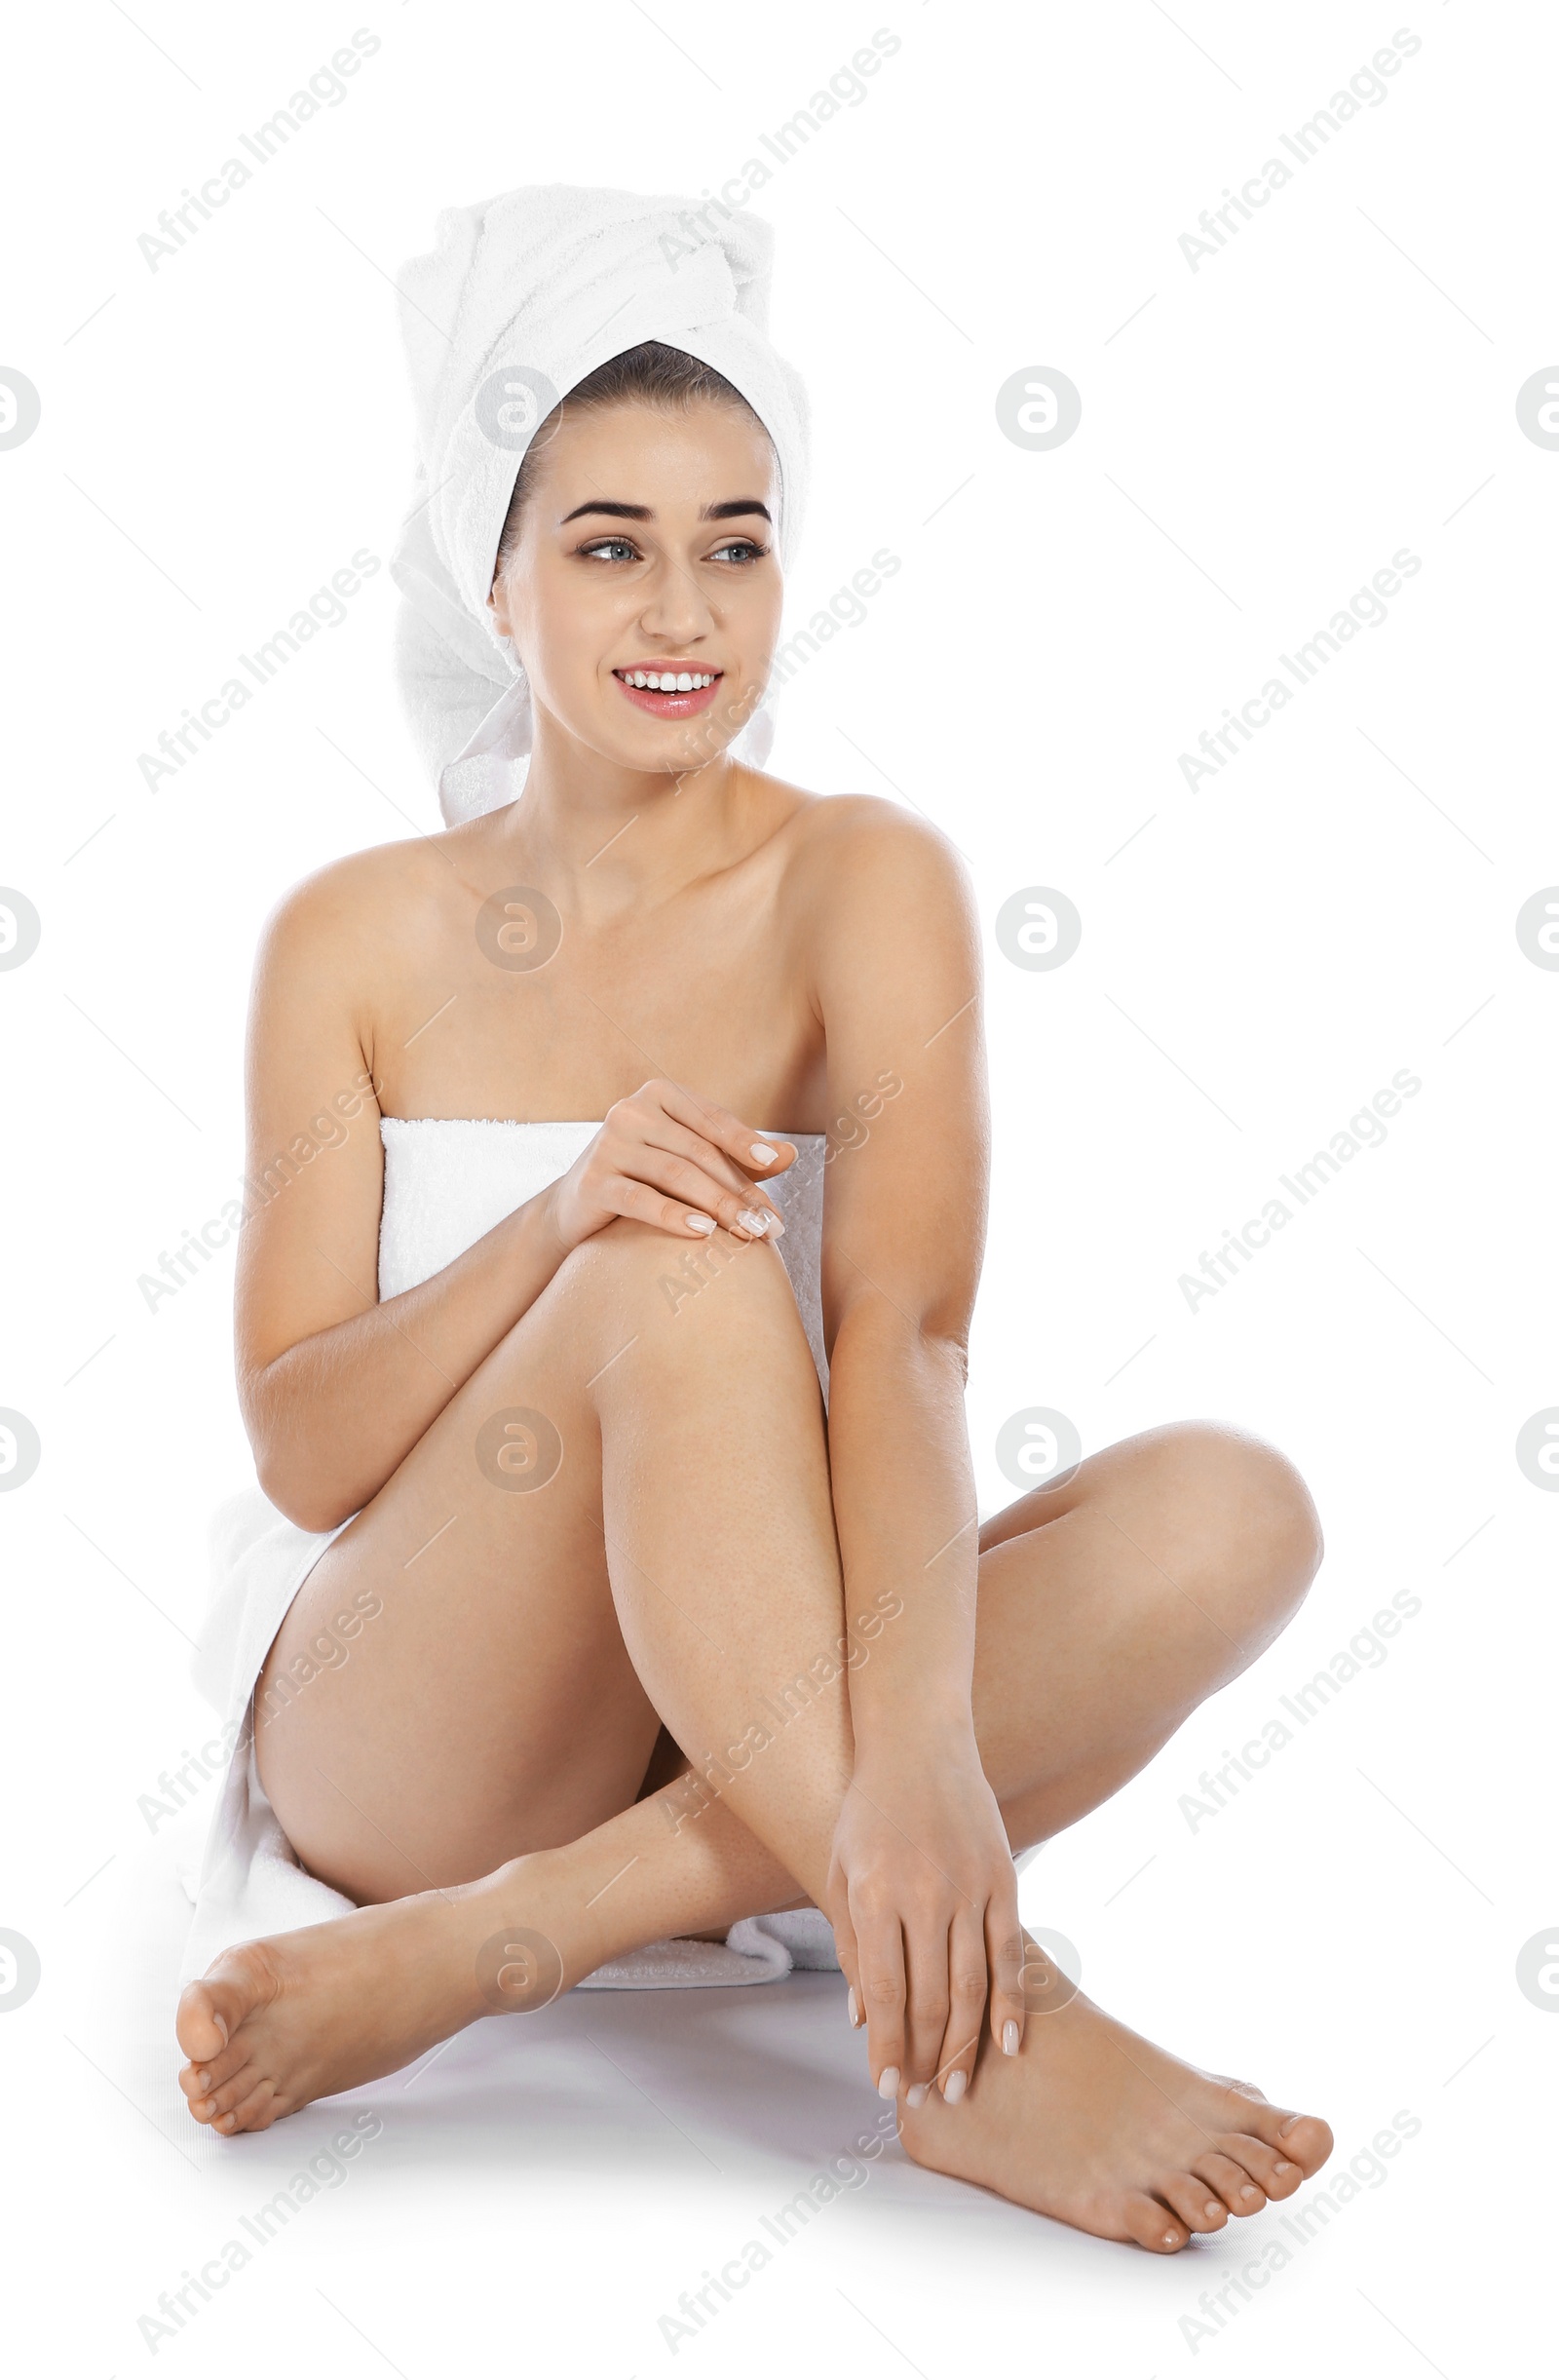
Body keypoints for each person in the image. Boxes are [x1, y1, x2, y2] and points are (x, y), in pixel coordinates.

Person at [174, 189, 1332, 2253]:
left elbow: (901, 1345)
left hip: (712, 1708)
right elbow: (299, 1443)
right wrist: (551, 1221)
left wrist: (913, 1760)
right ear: (496, 574)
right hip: (411, 1718)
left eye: (734, 542)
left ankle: (509, 1944)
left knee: (1229, 1510)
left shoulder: (859, 881)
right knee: (674, 1252)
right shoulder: (345, 937)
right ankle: (984, 2044)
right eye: (608, 545)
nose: (677, 609)